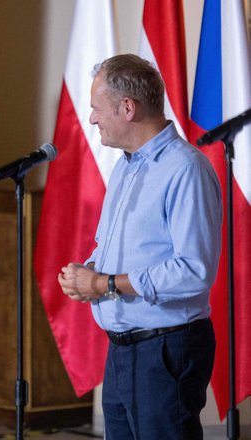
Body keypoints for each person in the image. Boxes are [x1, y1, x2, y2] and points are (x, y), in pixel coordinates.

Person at [57, 54, 222, 439]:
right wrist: (88, 272)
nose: (93, 118)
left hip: (165, 350)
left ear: (127, 108)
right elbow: (119, 246)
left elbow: (194, 270)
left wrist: (104, 285)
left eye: (97, 108)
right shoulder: (126, 167)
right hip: (122, 351)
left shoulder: (185, 169)